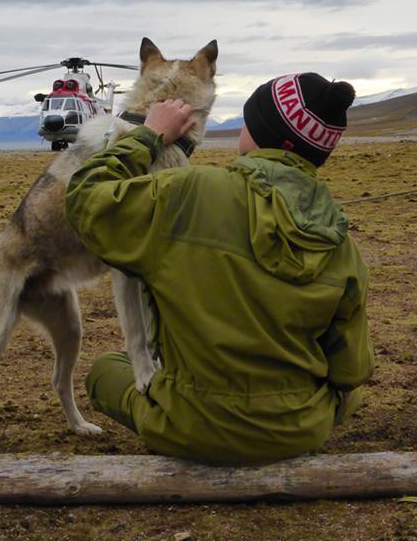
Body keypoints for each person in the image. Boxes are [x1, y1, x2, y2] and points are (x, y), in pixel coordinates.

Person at [65, 72, 374, 464]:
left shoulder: (188, 191)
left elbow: (86, 201)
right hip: (296, 430)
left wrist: (149, 135)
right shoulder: (342, 243)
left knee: (107, 369)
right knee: (351, 394)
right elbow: (351, 370)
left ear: (260, 132)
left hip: (189, 425)